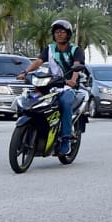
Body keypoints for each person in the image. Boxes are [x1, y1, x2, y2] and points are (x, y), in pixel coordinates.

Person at [19, 19, 87, 155]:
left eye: (62, 32)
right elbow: (38, 62)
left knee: (65, 103)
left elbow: (77, 66)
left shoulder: (75, 50)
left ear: (68, 34)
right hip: (50, 85)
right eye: (57, 32)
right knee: (30, 99)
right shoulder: (49, 49)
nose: (59, 34)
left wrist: (72, 80)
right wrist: (25, 72)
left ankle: (65, 139)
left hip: (67, 88)